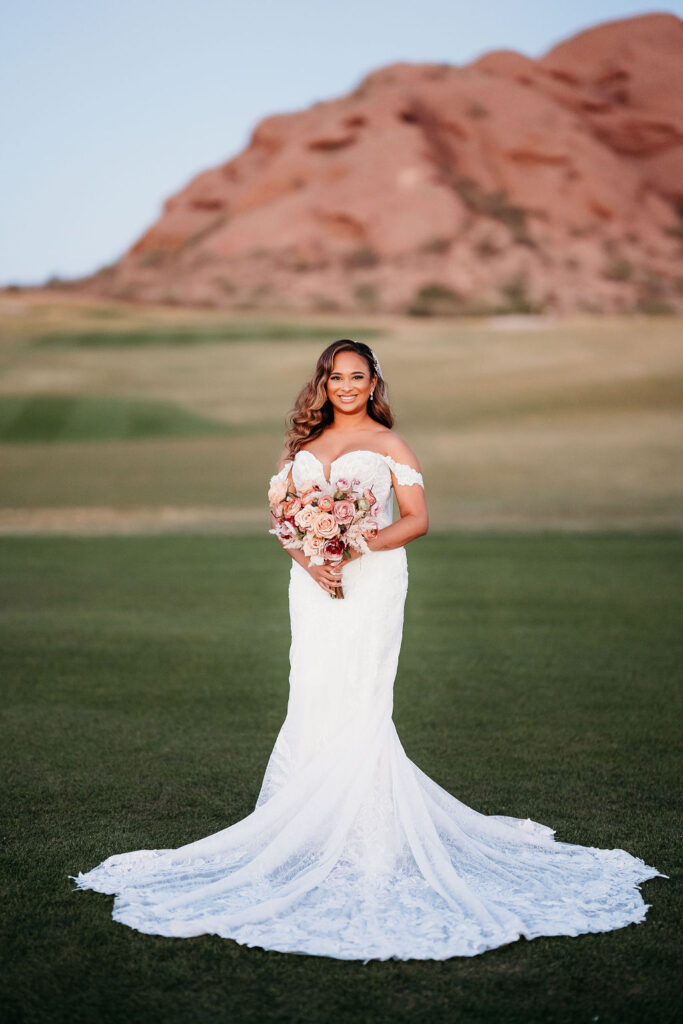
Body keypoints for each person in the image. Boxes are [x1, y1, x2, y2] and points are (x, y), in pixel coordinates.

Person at [72, 339, 662, 960]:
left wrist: (352, 548)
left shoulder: (389, 445)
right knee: (314, 690)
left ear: (374, 382)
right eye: (335, 377)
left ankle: (366, 835)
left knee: (361, 695)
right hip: (312, 583)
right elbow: (284, 520)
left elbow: (417, 520)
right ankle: (312, 824)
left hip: (373, 578)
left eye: (357, 376)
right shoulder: (298, 448)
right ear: (322, 384)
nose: (345, 386)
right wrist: (314, 559)